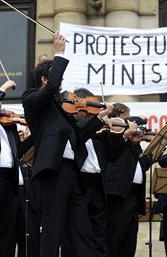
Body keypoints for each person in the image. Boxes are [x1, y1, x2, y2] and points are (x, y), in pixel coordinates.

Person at [21, 31, 111, 257]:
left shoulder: (64, 110)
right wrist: (59, 53)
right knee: (52, 232)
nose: (60, 83)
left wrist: (99, 118)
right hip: (53, 172)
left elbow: (78, 138)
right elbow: (51, 89)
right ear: (44, 79)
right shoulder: (32, 99)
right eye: (55, 77)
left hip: (72, 173)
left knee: (81, 232)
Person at [73, 88, 134, 257]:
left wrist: (123, 135)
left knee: (99, 235)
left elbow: (113, 155)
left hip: (98, 185)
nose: (90, 111)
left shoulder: (98, 130)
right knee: (81, 235)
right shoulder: (75, 125)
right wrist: (98, 118)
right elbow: (80, 134)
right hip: (80, 184)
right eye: (87, 106)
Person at [105, 103, 153, 257]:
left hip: (133, 196)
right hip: (118, 193)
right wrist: (140, 119)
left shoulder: (133, 142)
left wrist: (156, 149)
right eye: (128, 118)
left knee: (129, 240)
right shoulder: (114, 127)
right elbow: (128, 122)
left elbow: (141, 165)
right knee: (114, 238)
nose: (132, 125)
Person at [0, 80, 19, 257]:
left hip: (8, 181)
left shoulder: (7, 127)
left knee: (8, 229)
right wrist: (3, 88)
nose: (0, 107)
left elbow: (20, 153)